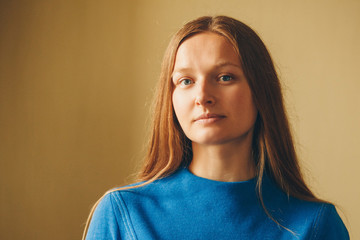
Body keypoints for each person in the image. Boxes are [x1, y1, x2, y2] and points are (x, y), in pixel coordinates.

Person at [83, 15, 349, 240]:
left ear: (261, 92)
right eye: (186, 81)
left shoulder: (316, 224)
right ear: (170, 98)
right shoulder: (121, 212)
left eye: (225, 77)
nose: (203, 96)